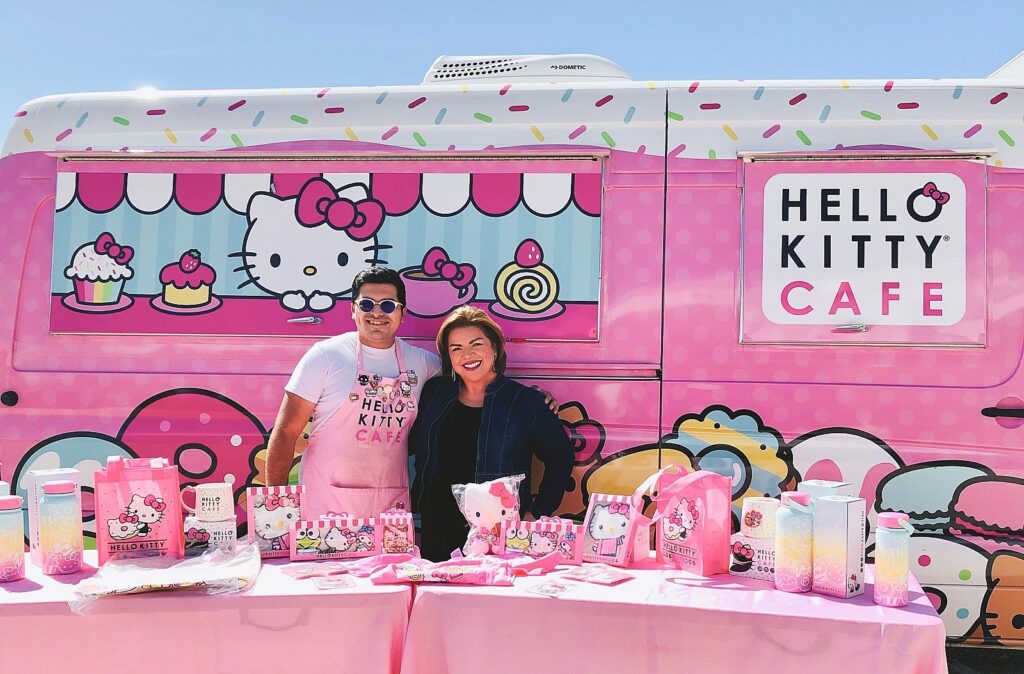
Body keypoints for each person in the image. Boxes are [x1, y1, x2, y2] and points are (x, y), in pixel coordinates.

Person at [265, 267, 440, 518]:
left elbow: (466, 382)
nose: (377, 313)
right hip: (326, 505)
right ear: (353, 310)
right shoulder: (325, 356)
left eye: (388, 305)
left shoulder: (423, 363)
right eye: (367, 304)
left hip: (389, 507)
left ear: (402, 313)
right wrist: (277, 506)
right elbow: (286, 432)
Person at [412, 307, 574, 561]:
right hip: (437, 523)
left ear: (495, 349)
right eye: (456, 348)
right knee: (439, 597)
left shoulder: (525, 402)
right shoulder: (434, 392)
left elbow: (561, 458)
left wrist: (535, 514)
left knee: (490, 599)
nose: (467, 355)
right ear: (448, 357)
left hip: (497, 532)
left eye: (476, 344)